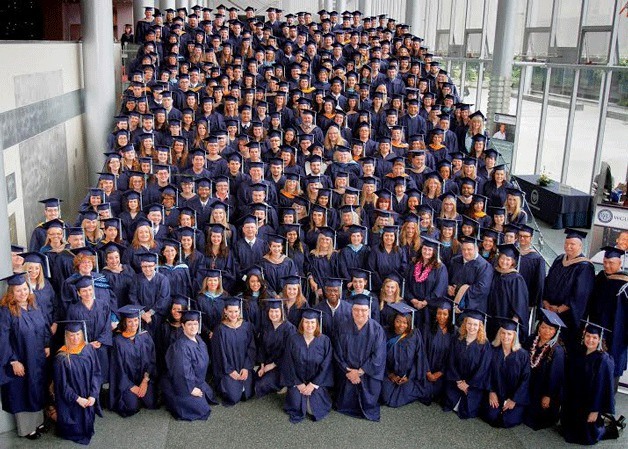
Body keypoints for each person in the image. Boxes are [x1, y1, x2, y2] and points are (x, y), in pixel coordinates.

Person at [0, 273, 51, 440]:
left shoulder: (34, 305)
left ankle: (39, 423)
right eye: (18, 291)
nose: (22, 293)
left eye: (24, 289)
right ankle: (27, 428)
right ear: (11, 293)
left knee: (37, 388)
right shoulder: (6, 312)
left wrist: (46, 344)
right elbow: (3, 338)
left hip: (37, 357)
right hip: (20, 358)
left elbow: (43, 327)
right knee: (22, 392)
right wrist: (13, 360)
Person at [333, 295, 386, 421]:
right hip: (347, 372)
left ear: (368, 311)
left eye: (363, 310)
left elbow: (378, 356)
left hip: (368, 373)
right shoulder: (342, 327)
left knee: (368, 400)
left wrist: (360, 371)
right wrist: (349, 371)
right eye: (356, 309)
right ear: (351, 310)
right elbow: (338, 352)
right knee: (343, 399)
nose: (360, 313)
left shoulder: (377, 330)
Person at [561, 322, 615, 445]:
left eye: (594, 337)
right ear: (583, 336)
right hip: (574, 401)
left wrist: (595, 411)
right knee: (568, 430)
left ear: (600, 339)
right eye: (588, 336)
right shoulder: (578, 354)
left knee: (586, 436)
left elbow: (602, 388)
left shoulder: (603, 360)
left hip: (590, 404)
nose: (590, 340)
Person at [543, 228, 595, 350]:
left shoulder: (585, 267)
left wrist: (561, 308)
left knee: (564, 345)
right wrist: (545, 302)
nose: (568, 247)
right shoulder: (559, 259)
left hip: (567, 315)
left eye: (572, 244)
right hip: (549, 310)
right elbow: (548, 280)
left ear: (580, 246)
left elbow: (581, 294)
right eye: (566, 243)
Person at [161, 310, 218, 421]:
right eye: (189, 324)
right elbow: (181, 371)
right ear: (183, 325)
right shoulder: (180, 346)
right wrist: (191, 389)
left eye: (195, 324)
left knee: (208, 395)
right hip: (182, 384)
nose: (193, 327)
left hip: (196, 380)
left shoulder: (198, 339)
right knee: (202, 410)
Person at [53, 321, 102, 445]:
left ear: (82, 334)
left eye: (78, 334)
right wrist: (78, 399)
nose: (75, 338)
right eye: (71, 335)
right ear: (66, 336)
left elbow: (96, 373)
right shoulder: (62, 358)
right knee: (76, 430)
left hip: (88, 396)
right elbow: (62, 386)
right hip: (72, 402)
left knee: (88, 426)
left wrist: (93, 395)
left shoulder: (88, 349)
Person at [282, 308, 334, 423]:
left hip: (317, 383)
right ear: (302, 323)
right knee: (296, 404)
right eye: (306, 322)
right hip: (297, 381)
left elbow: (326, 366)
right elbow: (288, 363)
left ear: (317, 324)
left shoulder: (324, 341)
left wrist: (313, 384)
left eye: (312, 322)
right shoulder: (293, 340)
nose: (309, 325)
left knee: (312, 409)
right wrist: (299, 383)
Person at [587, 246, 628, 391]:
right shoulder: (601, 278)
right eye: (605, 262)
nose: (607, 266)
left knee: (610, 370)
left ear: (620, 263)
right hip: (595, 333)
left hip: (615, 336)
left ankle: (606, 407)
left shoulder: (625, 285)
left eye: (611, 263)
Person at [109, 305, 157, 417]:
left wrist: (145, 381)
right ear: (124, 322)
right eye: (130, 321)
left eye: (136, 320)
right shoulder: (118, 341)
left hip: (144, 378)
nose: (134, 324)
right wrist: (131, 387)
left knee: (151, 403)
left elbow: (151, 359)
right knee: (131, 407)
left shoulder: (144, 336)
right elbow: (117, 368)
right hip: (126, 382)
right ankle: (130, 396)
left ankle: (141, 395)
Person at [443, 309, 491, 419]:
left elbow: (483, 368)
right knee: (449, 399)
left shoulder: (485, 344)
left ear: (480, 326)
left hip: (473, 384)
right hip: (456, 380)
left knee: (468, 407)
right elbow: (451, 360)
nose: (472, 327)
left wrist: (468, 383)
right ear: (465, 323)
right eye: (469, 323)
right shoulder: (458, 338)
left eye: (475, 324)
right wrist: (459, 381)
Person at [380, 303, 431, 407]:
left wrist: (409, 376)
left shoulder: (415, 334)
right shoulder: (385, 332)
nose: (401, 325)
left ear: (409, 323)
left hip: (409, 375)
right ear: (393, 320)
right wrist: (389, 374)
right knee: (385, 397)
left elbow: (419, 357)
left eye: (405, 322)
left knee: (422, 391)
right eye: (398, 321)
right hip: (388, 373)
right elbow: (379, 356)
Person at [523, 309, 566, 430]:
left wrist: (548, 395)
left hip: (543, 389)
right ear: (538, 327)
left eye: (551, 329)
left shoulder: (557, 350)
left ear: (555, 332)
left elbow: (555, 377)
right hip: (528, 383)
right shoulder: (531, 340)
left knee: (535, 418)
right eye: (544, 327)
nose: (547, 331)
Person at [483, 318, 530, 428]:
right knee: (491, 416)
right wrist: (491, 391)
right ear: (499, 334)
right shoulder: (492, 349)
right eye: (503, 333)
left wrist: (514, 399)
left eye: (509, 334)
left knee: (509, 420)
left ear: (514, 336)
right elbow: (486, 371)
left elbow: (526, 378)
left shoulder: (522, 355)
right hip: (496, 393)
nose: (505, 337)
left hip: (514, 397)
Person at [211, 297, 256, 406]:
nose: (233, 314)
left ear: (239, 310)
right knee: (233, 396)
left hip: (243, 366)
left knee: (247, 394)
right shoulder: (220, 330)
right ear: (225, 311)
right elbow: (218, 354)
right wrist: (230, 371)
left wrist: (246, 368)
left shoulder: (246, 326)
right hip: (227, 369)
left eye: (236, 311)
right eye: (230, 311)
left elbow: (252, 348)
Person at [486, 244, 529, 340]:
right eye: (502, 258)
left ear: (513, 262)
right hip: (492, 316)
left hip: (506, 319)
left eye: (508, 259)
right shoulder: (495, 273)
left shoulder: (516, 279)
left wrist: (515, 320)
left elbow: (520, 302)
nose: (504, 261)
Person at [255, 299, 297, 397]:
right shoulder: (266, 326)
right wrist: (262, 364)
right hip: (268, 362)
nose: (274, 314)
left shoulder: (289, 329)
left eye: (276, 311)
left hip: (283, 366)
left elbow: (289, 353)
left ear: (282, 312)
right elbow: (261, 346)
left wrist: (273, 365)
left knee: (262, 385)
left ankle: (284, 384)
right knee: (255, 378)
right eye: (271, 311)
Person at [447, 236, 493, 313]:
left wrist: (458, 290)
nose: (466, 252)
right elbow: (447, 279)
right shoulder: (455, 261)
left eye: (469, 249)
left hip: (474, 309)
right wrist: (448, 287)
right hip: (453, 303)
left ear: (476, 249)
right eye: (463, 249)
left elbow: (482, 289)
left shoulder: (484, 266)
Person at [424, 299, 456, 404]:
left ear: (449, 315)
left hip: (443, 372)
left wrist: (440, 373)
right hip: (426, 370)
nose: (441, 317)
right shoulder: (427, 329)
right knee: (426, 394)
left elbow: (453, 357)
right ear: (435, 314)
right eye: (439, 313)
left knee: (437, 394)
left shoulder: (454, 332)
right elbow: (422, 351)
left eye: (445, 314)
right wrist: (428, 372)